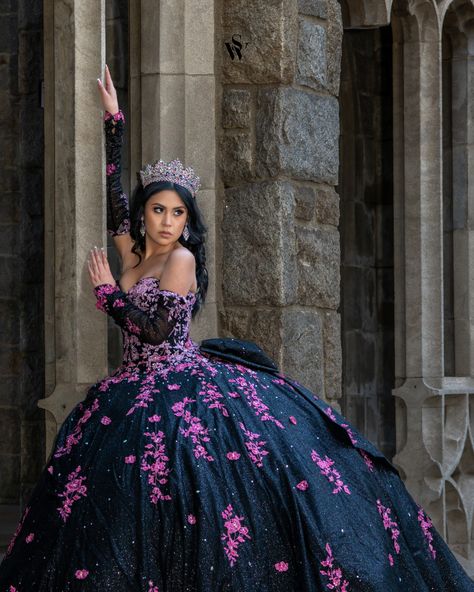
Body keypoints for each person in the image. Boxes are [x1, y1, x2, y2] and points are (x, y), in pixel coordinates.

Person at [0, 65, 473, 592]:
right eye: (157, 210)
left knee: (197, 482)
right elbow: (114, 196)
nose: (166, 221)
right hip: (128, 390)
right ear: (144, 215)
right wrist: (113, 121)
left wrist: (109, 294)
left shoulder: (179, 261)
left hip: (177, 381)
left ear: (186, 221)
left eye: (177, 213)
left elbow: (156, 330)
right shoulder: (132, 253)